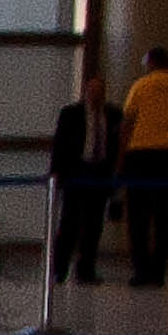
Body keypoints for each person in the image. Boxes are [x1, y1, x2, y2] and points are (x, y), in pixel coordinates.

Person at [117, 44, 168, 285]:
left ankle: (141, 270)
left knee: (138, 217)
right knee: (164, 217)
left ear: (151, 63)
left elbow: (128, 122)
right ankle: (159, 271)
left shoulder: (141, 86)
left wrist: (121, 159)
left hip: (140, 155)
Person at [47, 70, 120, 285]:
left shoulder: (114, 114)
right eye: (92, 89)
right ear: (85, 90)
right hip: (76, 173)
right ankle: (59, 269)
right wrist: (57, 174)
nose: (95, 93)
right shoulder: (71, 113)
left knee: (94, 225)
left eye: (100, 90)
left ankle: (86, 270)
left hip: (100, 174)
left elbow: (116, 146)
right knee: (69, 223)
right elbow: (59, 145)